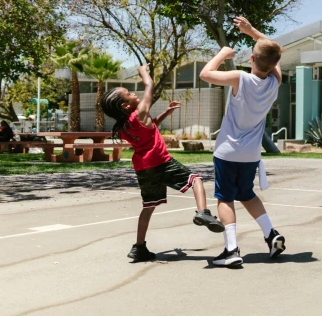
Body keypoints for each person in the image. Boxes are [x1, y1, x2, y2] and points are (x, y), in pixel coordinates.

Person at [101, 64, 224, 262]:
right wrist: (143, 71)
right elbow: (149, 84)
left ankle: (139, 247)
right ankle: (204, 213)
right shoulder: (140, 112)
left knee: (148, 206)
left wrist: (165, 114)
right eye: (129, 93)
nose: (134, 94)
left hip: (143, 167)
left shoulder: (124, 126)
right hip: (160, 161)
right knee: (196, 180)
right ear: (125, 105)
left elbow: (148, 128)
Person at [199, 16, 285, 267]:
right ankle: (271, 235)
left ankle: (231, 249)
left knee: (225, 198)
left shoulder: (240, 78)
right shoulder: (275, 83)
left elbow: (205, 74)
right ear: (275, 64)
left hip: (227, 152)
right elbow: (273, 50)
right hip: (250, 155)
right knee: (246, 194)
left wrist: (222, 53)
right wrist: (252, 32)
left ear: (251, 59)